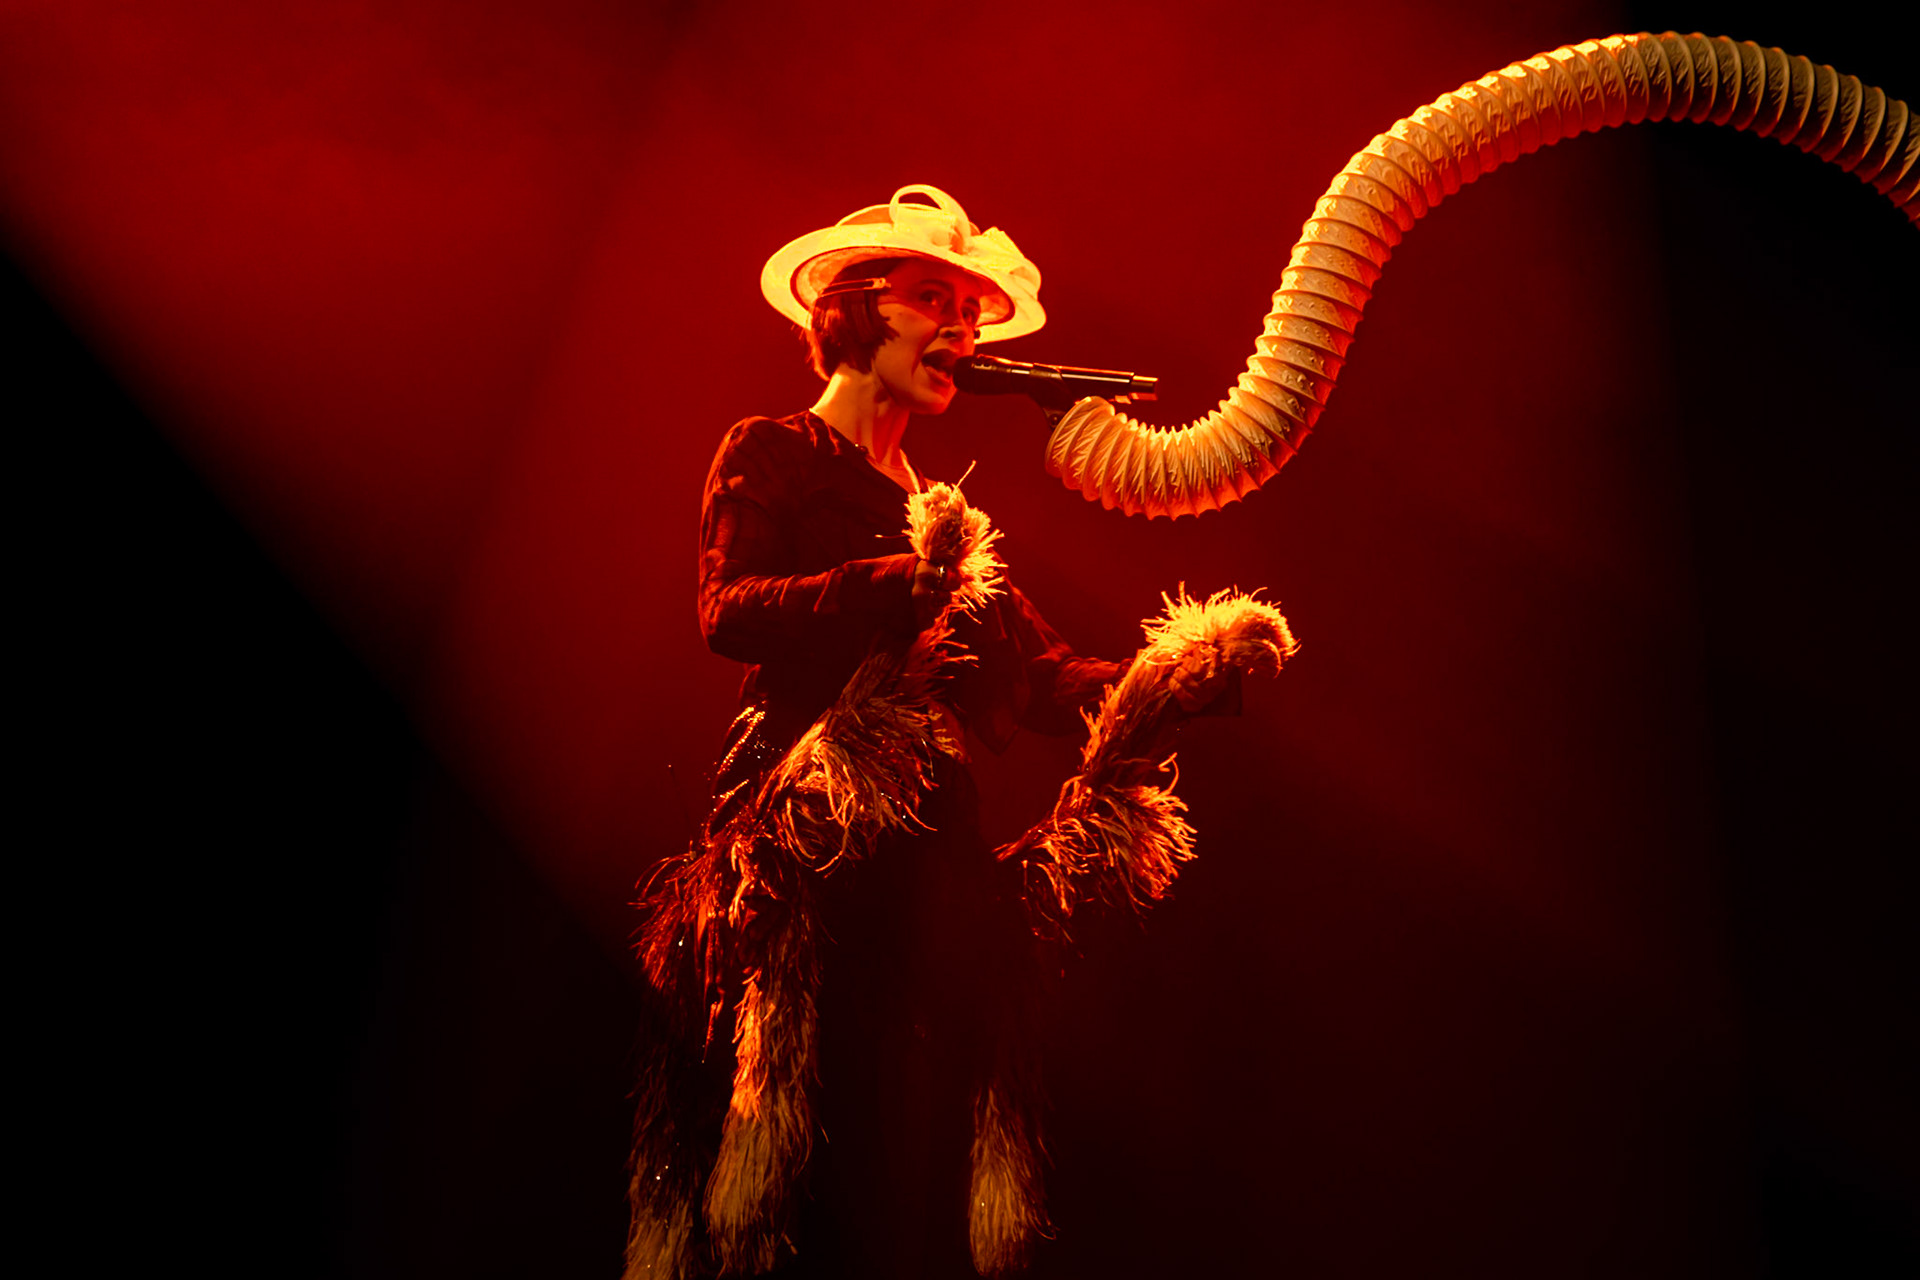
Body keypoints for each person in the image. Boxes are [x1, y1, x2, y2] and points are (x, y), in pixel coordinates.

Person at [626, 185, 1224, 1280]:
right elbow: (729, 609)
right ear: (856, 311)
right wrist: (900, 580)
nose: (962, 327)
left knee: (918, 1156)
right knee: (803, 1153)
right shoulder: (774, 450)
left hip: (931, 866)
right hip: (809, 850)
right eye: (932, 299)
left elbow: (1041, 675)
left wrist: (1170, 678)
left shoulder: (952, 520)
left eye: (975, 312)